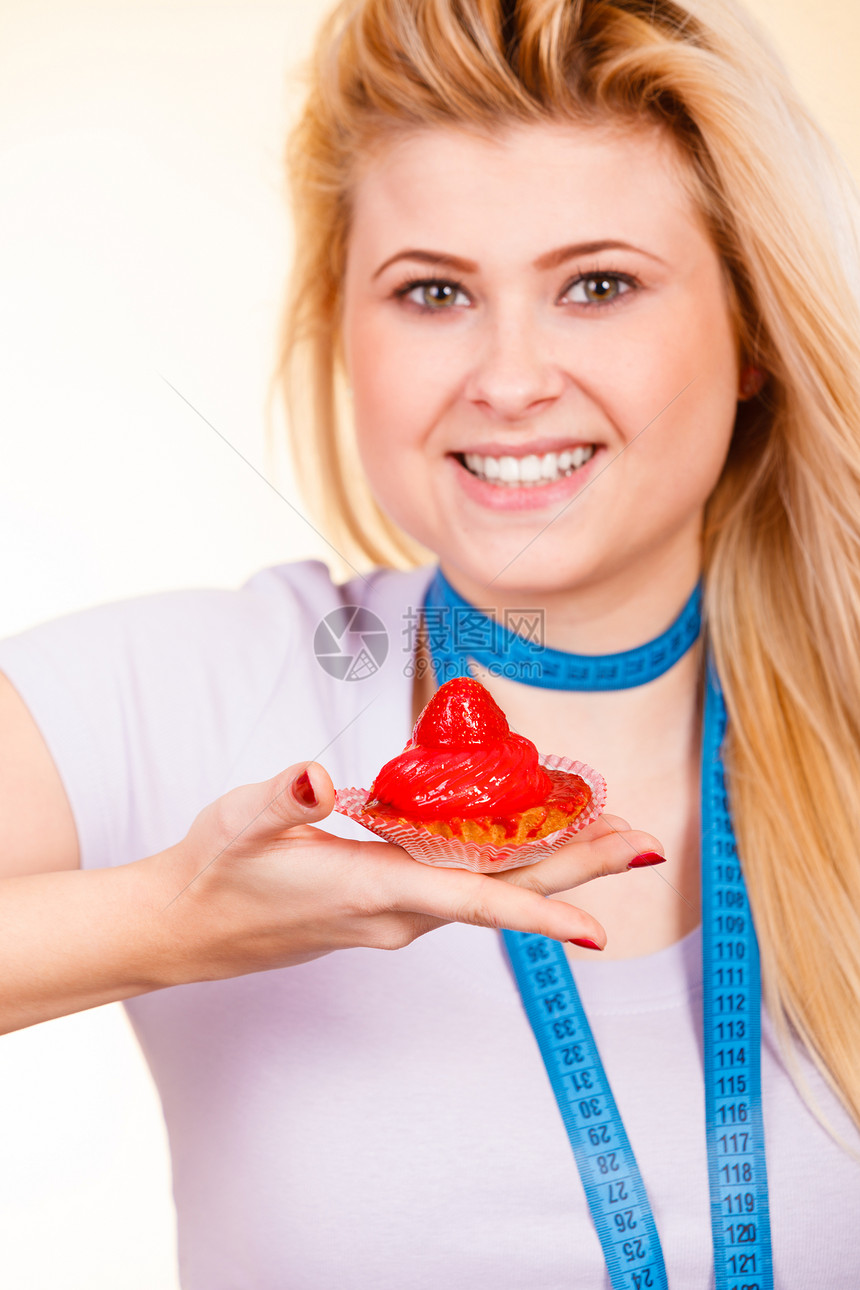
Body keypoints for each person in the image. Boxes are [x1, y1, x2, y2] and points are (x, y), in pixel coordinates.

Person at [2, 0, 860, 1284]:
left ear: (748, 333)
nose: (509, 378)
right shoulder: (183, 696)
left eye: (599, 284)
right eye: (434, 292)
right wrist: (172, 917)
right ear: (344, 332)